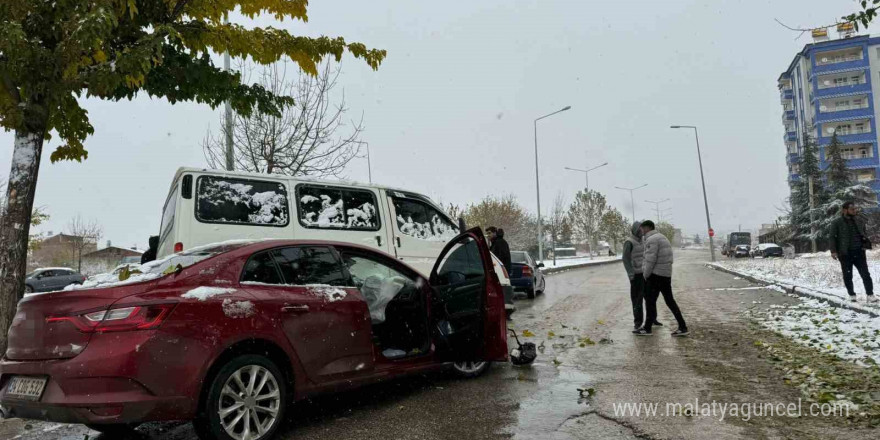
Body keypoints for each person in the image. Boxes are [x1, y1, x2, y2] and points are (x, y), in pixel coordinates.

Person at [633, 220, 688, 337]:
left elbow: (650, 260)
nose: (641, 231)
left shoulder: (651, 240)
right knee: (669, 301)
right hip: (665, 274)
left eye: (642, 229)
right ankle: (682, 326)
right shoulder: (662, 237)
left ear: (646, 228)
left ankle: (647, 328)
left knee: (650, 301)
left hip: (655, 276)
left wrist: (645, 275)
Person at [828, 201, 877, 303]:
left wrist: (864, 244)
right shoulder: (836, 222)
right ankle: (851, 294)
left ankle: (870, 294)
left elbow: (863, 233)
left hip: (859, 252)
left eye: (855, 209)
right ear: (844, 210)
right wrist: (833, 251)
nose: (854, 211)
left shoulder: (858, 220)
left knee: (865, 274)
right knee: (847, 275)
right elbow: (832, 237)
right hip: (845, 253)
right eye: (852, 209)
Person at [622, 221, 661, 330]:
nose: (641, 231)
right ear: (635, 230)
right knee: (637, 300)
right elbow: (625, 259)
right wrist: (630, 273)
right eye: (639, 229)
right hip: (636, 275)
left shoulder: (644, 240)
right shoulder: (629, 242)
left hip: (645, 273)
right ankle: (638, 323)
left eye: (642, 229)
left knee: (650, 298)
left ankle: (652, 318)